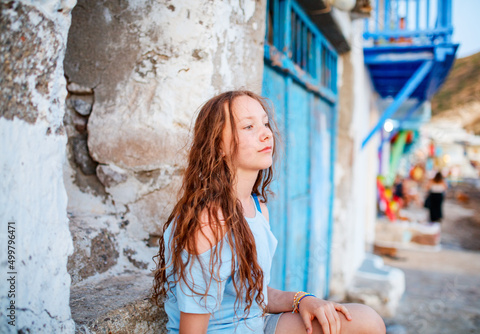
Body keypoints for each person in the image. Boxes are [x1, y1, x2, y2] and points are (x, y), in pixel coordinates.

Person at [151, 91, 386, 334]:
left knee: (367, 321)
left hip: (257, 326)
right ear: (218, 144)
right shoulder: (209, 220)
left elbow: (253, 295)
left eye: (265, 123)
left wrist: (302, 299)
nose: (266, 133)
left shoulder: (257, 208)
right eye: (248, 127)